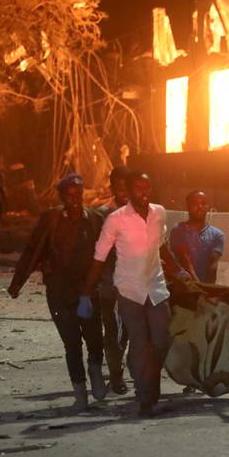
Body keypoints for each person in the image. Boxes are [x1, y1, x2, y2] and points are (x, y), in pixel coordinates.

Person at [81, 171, 182, 417]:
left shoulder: (159, 213)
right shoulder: (116, 219)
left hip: (156, 287)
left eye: (147, 187)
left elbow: (160, 246)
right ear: (128, 190)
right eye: (138, 187)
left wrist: (178, 269)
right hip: (129, 289)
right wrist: (86, 292)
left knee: (162, 339)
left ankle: (144, 376)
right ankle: (146, 397)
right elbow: (99, 257)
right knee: (139, 341)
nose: (144, 192)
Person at [9, 174, 106, 410]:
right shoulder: (50, 220)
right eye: (70, 195)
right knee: (72, 343)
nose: (75, 199)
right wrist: (18, 281)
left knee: (95, 338)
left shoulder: (95, 220)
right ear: (61, 196)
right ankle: (80, 393)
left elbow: (107, 254)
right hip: (60, 292)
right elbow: (34, 250)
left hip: (87, 292)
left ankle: (95, 371)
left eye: (79, 194)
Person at [95, 166, 130, 395]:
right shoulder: (103, 214)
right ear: (112, 187)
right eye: (120, 187)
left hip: (133, 281)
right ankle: (116, 375)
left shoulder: (142, 212)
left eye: (128, 187)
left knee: (126, 329)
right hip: (109, 280)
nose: (124, 191)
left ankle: (119, 370)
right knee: (112, 328)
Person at [170, 190, 225, 284]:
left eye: (203, 204)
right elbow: (184, 261)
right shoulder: (178, 230)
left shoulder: (218, 235)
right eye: (195, 204)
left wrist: (208, 289)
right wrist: (199, 286)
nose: (200, 207)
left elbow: (212, 266)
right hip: (182, 287)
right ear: (188, 207)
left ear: (208, 206)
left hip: (205, 288)